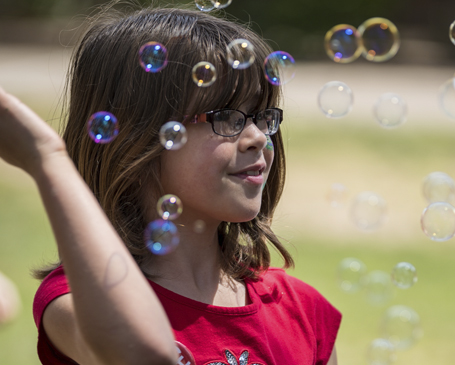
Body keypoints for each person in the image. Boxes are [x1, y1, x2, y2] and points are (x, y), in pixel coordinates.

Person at [0, 4, 341, 365]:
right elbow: (144, 354)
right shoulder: (81, 303)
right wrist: (48, 161)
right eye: (226, 117)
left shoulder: (303, 311)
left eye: (263, 116)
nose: (258, 137)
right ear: (139, 136)